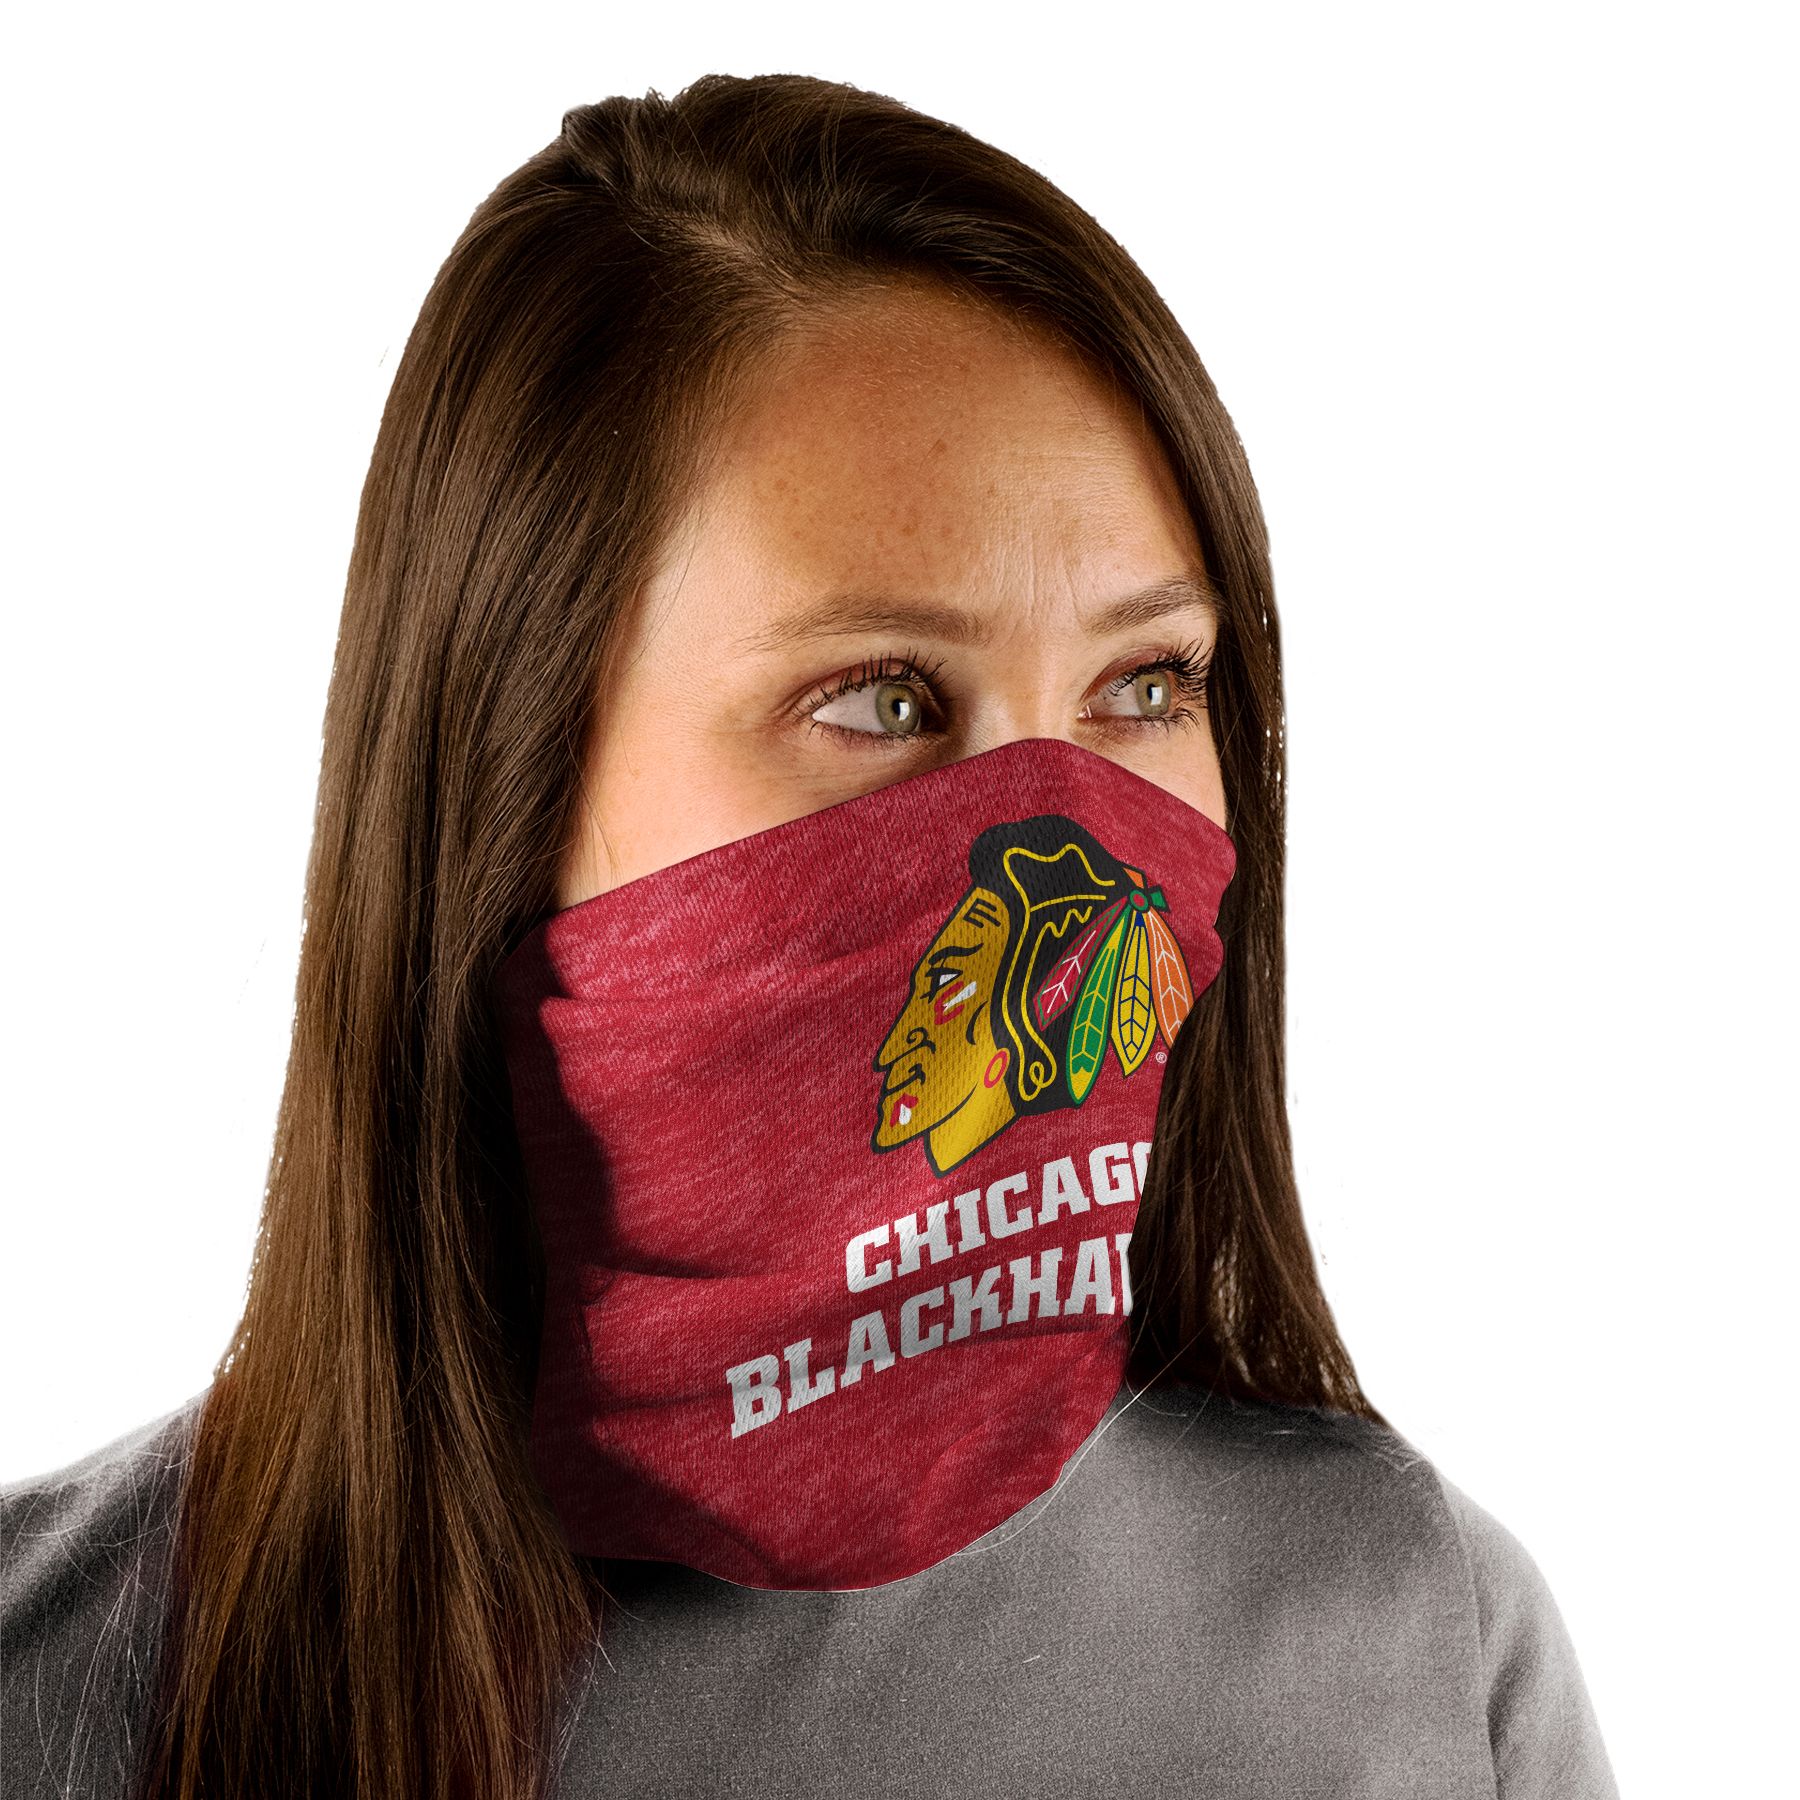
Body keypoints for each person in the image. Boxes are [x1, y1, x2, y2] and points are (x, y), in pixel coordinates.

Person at [0, 72, 1621, 1799]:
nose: (1063, 850)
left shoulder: (1414, 1655)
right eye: (884, 697)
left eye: (1147, 684)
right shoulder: (52, 1693)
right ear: (509, 782)